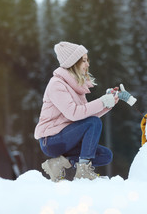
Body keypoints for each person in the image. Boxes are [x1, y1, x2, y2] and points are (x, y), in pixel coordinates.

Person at [34, 41, 122, 181]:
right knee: (94, 122)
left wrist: (108, 104)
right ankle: (83, 171)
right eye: (84, 61)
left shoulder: (75, 84)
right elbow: (74, 114)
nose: (88, 65)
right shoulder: (56, 84)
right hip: (51, 140)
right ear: (73, 63)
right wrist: (102, 101)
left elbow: (85, 115)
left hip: (67, 137)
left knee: (105, 155)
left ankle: (58, 163)